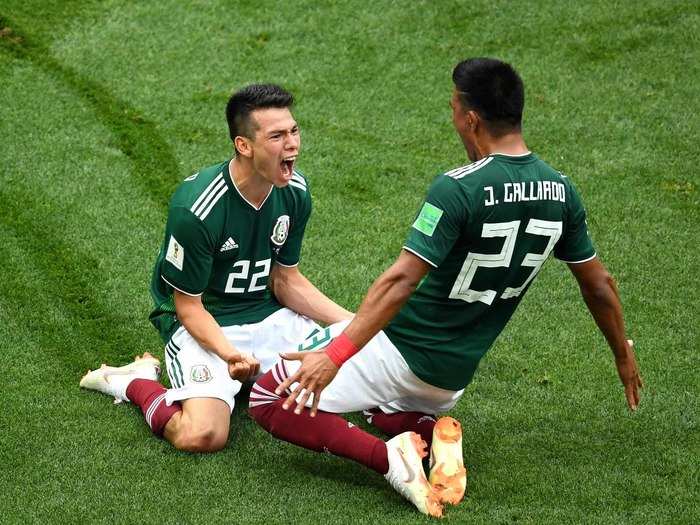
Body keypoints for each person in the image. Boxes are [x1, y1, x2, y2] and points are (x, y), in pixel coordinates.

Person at [247, 59, 643, 517]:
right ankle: (422, 427)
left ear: (470, 118)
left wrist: (333, 358)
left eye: (454, 107)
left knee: (271, 395)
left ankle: (391, 462)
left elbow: (399, 282)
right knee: (372, 404)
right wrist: (621, 352)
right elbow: (599, 285)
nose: (452, 116)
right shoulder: (563, 191)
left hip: (403, 352)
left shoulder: (458, 188)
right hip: (452, 378)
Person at [80, 84, 352, 453]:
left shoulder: (295, 191)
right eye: (277, 136)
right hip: (206, 325)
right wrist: (230, 354)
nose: (292, 145)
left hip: (271, 319)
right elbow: (187, 305)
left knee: (357, 374)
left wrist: (354, 325)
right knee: (202, 436)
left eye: (294, 130)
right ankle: (136, 381)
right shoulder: (197, 209)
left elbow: (286, 279)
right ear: (244, 145)